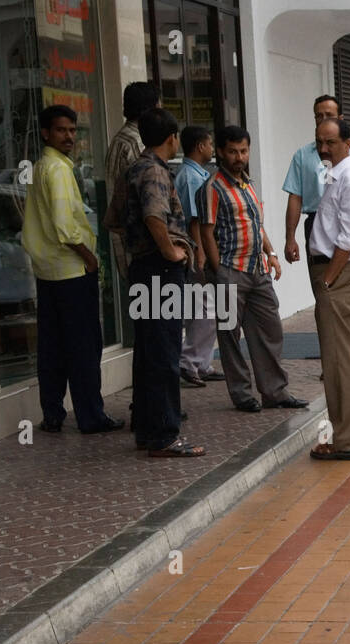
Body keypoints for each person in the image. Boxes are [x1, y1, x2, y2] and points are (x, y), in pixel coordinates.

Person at [21, 104, 123, 435]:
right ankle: (91, 416)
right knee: (82, 348)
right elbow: (66, 228)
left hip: (47, 272)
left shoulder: (40, 168)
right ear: (46, 133)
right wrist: (90, 258)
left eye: (72, 130)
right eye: (62, 130)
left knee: (52, 348)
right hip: (70, 271)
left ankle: (53, 414)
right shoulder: (59, 171)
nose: (69, 136)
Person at [199, 125, 307, 415]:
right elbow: (206, 233)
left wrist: (270, 253)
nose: (239, 156)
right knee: (230, 336)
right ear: (221, 152)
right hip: (229, 270)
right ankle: (242, 394)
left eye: (244, 151)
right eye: (233, 151)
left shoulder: (248, 184)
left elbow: (255, 224)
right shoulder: (212, 187)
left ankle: (275, 391)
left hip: (257, 271)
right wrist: (218, 269)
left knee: (271, 329)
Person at [123, 108, 205, 457]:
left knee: (147, 352)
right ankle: (165, 435)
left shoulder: (134, 168)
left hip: (142, 267)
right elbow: (154, 214)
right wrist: (170, 250)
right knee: (164, 353)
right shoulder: (155, 172)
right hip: (159, 270)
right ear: (172, 137)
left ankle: (146, 428)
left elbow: (115, 217)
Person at [281, 95, 350, 353]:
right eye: (319, 115)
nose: (323, 119)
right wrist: (290, 237)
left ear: (340, 118)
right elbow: (295, 197)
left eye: (329, 115)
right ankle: (331, 351)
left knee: (349, 290)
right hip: (316, 224)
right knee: (323, 295)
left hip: (346, 225)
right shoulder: (303, 156)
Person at [306, 117, 350, 462]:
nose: (323, 148)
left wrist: (329, 279)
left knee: (340, 360)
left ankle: (345, 440)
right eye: (320, 142)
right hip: (341, 273)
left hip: (339, 273)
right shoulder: (337, 176)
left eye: (330, 142)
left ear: (348, 144)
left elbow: (349, 237)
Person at [173, 125, 223, 389]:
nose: (212, 148)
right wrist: (201, 253)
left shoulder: (195, 174)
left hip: (196, 249)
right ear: (200, 146)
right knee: (205, 308)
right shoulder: (191, 177)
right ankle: (189, 361)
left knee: (203, 309)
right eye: (210, 143)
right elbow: (195, 219)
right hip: (196, 249)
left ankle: (202, 363)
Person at [104, 81, 160, 282]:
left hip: (127, 241)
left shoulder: (120, 138)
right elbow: (149, 201)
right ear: (152, 107)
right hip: (141, 246)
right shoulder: (138, 142)